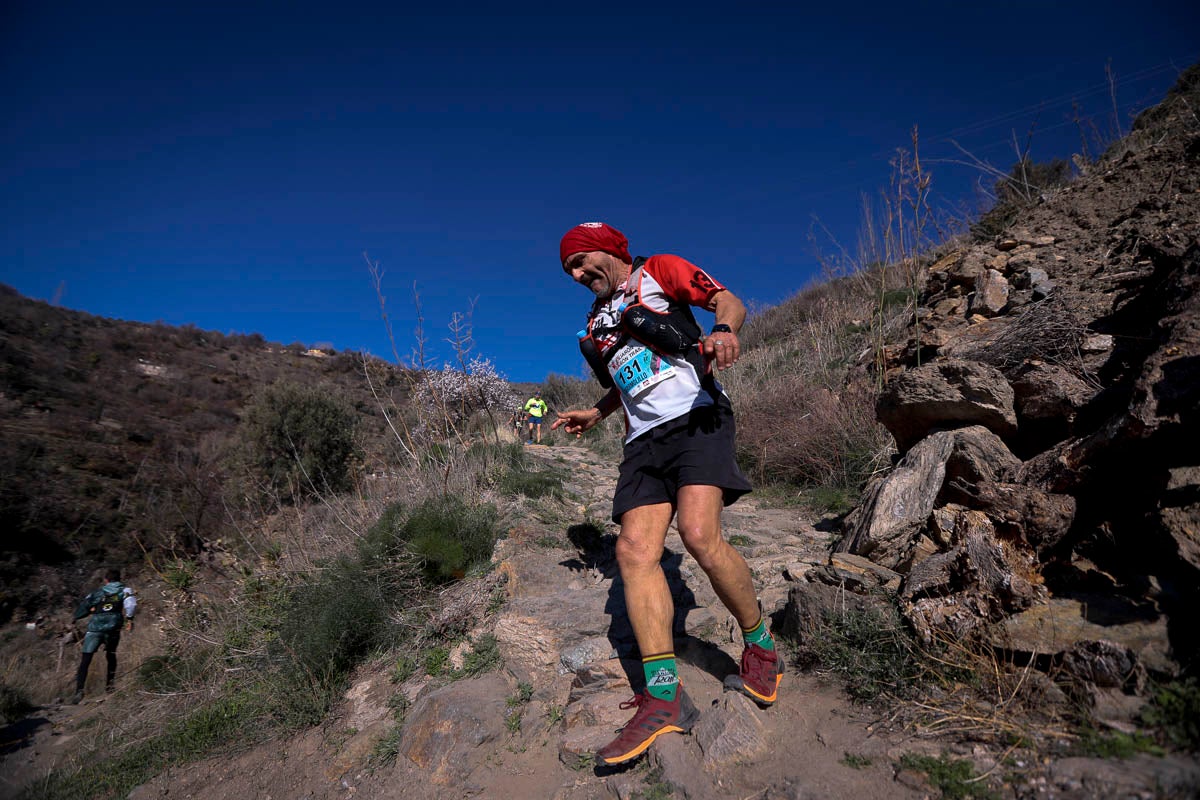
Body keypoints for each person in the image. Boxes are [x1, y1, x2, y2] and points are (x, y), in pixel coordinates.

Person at [551, 222, 781, 765]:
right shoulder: (593, 323)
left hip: (697, 418)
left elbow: (728, 299)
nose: (580, 276)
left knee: (699, 536)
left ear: (610, 251)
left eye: (583, 263)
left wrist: (723, 330)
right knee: (633, 553)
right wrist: (597, 410)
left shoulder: (660, 269)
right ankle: (663, 697)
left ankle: (760, 645)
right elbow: (621, 381)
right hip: (642, 441)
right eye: (571, 273)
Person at [70, 567, 136, 703]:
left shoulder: (98, 592)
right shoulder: (125, 590)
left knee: (86, 659)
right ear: (119, 579)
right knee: (111, 655)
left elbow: (84, 606)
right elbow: (131, 605)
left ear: (106, 580)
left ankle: (79, 691)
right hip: (113, 628)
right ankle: (110, 686)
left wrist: (79, 615)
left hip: (95, 628)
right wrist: (130, 619)